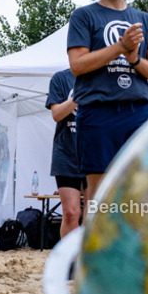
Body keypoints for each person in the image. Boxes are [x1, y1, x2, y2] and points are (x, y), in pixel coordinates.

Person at [66, 0, 148, 206]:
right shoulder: (83, 16)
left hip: (139, 111)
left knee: (144, 188)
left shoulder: (146, 20)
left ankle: (137, 235)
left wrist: (134, 59)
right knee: (100, 195)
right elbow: (77, 65)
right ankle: (95, 235)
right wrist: (121, 47)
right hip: (97, 112)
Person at [46, 68, 84, 238]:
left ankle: (88, 254)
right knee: (70, 213)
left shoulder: (103, 75)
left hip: (95, 153)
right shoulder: (60, 78)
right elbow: (57, 114)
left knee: (93, 213)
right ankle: (67, 254)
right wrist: (79, 96)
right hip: (66, 154)